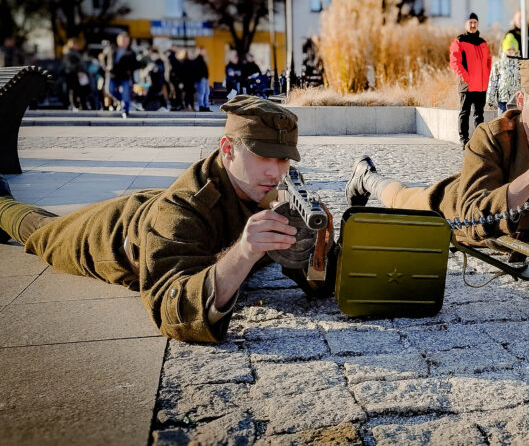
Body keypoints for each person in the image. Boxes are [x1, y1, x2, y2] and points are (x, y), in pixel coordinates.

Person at [0, 96, 324, 342]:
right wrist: (243, 252)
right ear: (227, 150)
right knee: (39, 231)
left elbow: (317, 279)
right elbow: (175, 313)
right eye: (262, 156)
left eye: (283, 158)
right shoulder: (179, 211)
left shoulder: (277, 185)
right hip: (112, 233)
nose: (275, 171)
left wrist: (320, 245)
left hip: (160, 209)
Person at [345, 56, 529, 244]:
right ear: (521, 100)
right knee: (402, 199)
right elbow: (473, 218)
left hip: (524, 235)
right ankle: (367, 177)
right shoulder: (492, 136)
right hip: (450, 207)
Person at [449, 12, 492, 146]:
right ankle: (464, 139)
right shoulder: (460, 41)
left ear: (477, 24)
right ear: (466, 24)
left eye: (475, 22)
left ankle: (478, 141)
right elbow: (455, 62)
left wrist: (485, 79)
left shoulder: (483, 42)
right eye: (470, 22)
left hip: (481, 86)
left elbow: (488, 62)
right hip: (467, 85)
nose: (473, 25)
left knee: (479, 114)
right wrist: (467, 78)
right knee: (465, 113)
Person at [104, 32, 143, 118]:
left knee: (126, 94)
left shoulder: (131, 52)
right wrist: (107, 67)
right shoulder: (112, 48)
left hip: (124, 76)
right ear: (118, 40)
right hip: (112, 74)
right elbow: (104, 58)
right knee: (110, 90)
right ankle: (121, 102)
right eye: (122, 39)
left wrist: (133, 80)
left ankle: (126, 110)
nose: (124, 41)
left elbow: (134, 66)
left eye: (126, 39)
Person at [487, 34, 522, 112]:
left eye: (513, 49)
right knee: (502, 121)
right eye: (509, 49)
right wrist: (490, 99)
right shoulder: (498, 65)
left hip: (515, 100)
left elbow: (523, 82)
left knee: (515, 121)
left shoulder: (519, 65)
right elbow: (493, 82)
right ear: (504, 50)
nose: (511, 51)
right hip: (502, 100)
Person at [61, 38, 91, 111]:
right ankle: (75, 105)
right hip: (73, 74)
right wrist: (78, 71)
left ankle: (81, 104)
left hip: (77, 74)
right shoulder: (69, 53)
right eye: (76, 44)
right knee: (74, 90)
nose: (78, 46)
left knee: (80, 90)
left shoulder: (74, 52)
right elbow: (71, 64)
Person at [192, 46, 211, 112]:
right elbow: (196, 70)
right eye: (204, 51)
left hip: (205, 79)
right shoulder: (197, 59)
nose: (205, 52)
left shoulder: (203, 59)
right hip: (201, 79)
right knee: (202, 92)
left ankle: (206, 106)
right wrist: (200, 77)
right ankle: (201, 106)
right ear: (200, 51)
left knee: (206, 92)